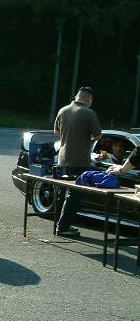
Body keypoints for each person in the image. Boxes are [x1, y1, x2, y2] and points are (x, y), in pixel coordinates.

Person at [54, 86, 102, 237]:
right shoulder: (88, 113)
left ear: (77, 96)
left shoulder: (63, 110)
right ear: (89, 100)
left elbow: (56, 131)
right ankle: (63, 227)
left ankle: (58, 224)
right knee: (74, 195)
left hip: (62, 159)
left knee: (62, 194)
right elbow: (98, 135)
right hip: (79, 161)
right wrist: (86, 138)